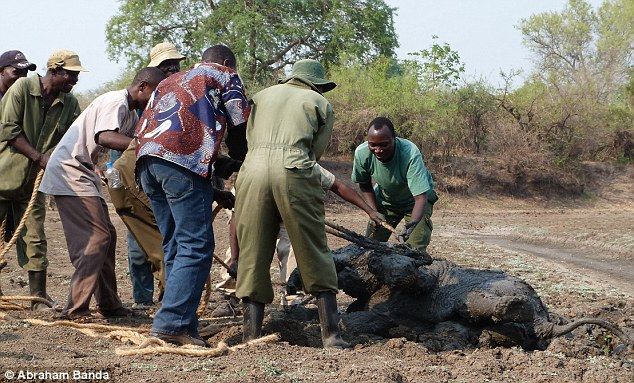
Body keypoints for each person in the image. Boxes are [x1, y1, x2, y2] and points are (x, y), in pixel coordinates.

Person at [136, 45, 250, 347]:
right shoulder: (224, 74)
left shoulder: (170, 79)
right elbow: (239, 125)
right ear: (227, 62)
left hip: (147, 163)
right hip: (181, 163)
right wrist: (244, 158)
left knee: (175, 243)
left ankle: (181, 321)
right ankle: (171, 323)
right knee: (196, 244)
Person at [234, 59, 349, 348]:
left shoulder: (260, 96)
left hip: (253, 169)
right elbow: (316, 151)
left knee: (253, 250)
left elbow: (246, 138)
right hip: (294, 169)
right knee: (312, 247)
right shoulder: (319, 102)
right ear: (317, 84)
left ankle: (251, 336)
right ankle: (331, 336)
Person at [39, 67, 166, 320]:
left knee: (108, 235)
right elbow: (105, 137)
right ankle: (75, 308)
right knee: (96, 237)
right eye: (154, 94)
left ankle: (108, 303)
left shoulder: (130, 112)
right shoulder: (115, 101)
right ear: (142, 86)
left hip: (83, 171)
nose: (156, 101)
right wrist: (145, 145)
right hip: (69, 171)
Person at [216, 163, 384, 308]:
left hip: (289, 217)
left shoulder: (305, 166)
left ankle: (292, 298)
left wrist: (370, 211)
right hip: (255, 214)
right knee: (241, 254)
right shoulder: (253, 171)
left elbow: (338, 186)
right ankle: (229, 295)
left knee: (293, 254)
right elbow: (236, 219)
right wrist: (236, 259)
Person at [0, 49, 83, 310]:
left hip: (33, 186)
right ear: (55, 71)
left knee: (35, 237)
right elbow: (9, 130)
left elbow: (72, 140)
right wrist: (40, 158)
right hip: (3, 177)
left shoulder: (69, 104)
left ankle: (38, 297)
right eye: (71, 75)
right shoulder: (22, 88)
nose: (75, 81)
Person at [109, 41, 186, 309]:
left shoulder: (179, 98)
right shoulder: (140, 100)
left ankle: (169, 297)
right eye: (166, 67)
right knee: (141, 240)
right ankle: (144, 299)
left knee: (168, 236)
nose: (172, 71)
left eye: (175, 66)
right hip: (136, 175)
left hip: (163, 175)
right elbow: (117, 142)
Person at [352, 117, 437, 255]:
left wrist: (413, 224)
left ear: (394, 139)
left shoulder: (410, 153)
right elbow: (365, 185)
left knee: (414, 253)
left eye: (384, 145)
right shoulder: (362, 153)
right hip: (386, 201)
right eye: (372, 145)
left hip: (414, 204)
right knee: (369, 248)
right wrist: (374, 212)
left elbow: (421, 197)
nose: (378, 150)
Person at [0, 50, 37, 243]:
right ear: (1, 72)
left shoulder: (26, 100)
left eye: (25, 74)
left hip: (16, 176)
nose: (21, 78)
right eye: (16, 72)